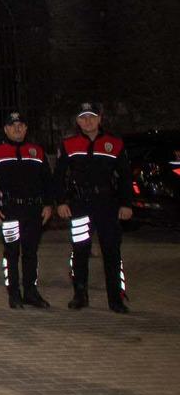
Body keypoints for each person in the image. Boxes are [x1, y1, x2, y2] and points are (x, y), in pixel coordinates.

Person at [54, 102, 134, 313]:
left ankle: (115, 299)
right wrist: (61, 202)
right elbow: (59, 177)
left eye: (91, 117)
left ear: (99, 119)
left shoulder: (114, 143)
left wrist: (126, 204)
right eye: (83, 117)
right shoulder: (68, 144)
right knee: (80, 251)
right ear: (77, 121)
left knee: (112, 252)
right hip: (80, 205)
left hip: (107, 205)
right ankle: (80, 295)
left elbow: (126, 177)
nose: (87, 121)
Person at [0, 111, 54, 309]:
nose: (17, 128)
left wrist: (48, 204)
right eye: (13, 126)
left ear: (26, 128)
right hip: (9, 210)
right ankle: (14, 294)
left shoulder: (37, 151)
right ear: (6, 129)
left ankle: (31, 291)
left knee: (31, 252)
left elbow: (48, 180)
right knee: (12, 253)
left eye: (21, 125)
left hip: (33, 210)